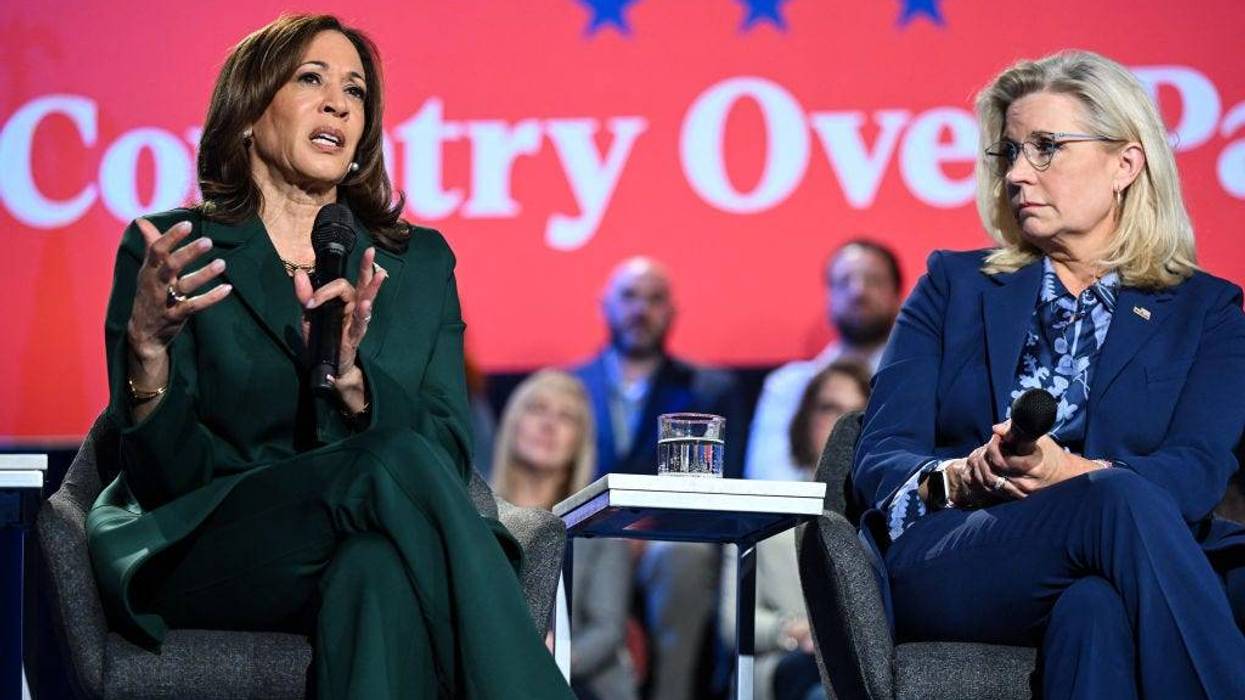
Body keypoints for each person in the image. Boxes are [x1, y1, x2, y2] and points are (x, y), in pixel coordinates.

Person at [85, 15, 572, 699]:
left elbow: (447, 449)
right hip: (213, 549)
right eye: (310, 79)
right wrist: (147, 358)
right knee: (386, 460)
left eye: (356, 91)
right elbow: (170, 481)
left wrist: (354, 387)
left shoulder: (418, 263)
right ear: (250, 111)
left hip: (363, 539)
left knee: (373, 571)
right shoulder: (174, 252)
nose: (339, 103)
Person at [852, 49, 1245, 698]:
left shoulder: (1207, 311)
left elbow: (1196, 468)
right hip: (963, 551)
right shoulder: (952, 286)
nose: (1016, 174)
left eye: (1045, 148)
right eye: (1008, 152)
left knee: (1092, 612)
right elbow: (879, 454)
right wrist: (957, 475)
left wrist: (1069, 475)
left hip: (1120, 555)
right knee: (1114, 500)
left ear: (1125, 162)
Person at [573, 256, 747, 700]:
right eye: (629, 296)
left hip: (669, 540)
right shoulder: (567, 388)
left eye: (654, 299)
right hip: (586, 540)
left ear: (672, 312)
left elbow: (723, 490)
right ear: (604, 305)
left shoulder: (710, 389)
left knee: (683, 557)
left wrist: (645, 535)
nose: (640, 309)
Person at [721, 362, 870, 700]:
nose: (838, 425)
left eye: (854, 415)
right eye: (829, 409)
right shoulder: (761, 516)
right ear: (805, 420)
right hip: (786, 663)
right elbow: (732, 623)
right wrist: (793, 631)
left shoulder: (883, 519)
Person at [491, 369, 638, 700]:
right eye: (537, 409)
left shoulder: (602, 526)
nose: (549, 425)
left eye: (566, 417)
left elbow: (607, 630)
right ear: (513, 421)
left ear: (580, 440)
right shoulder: (470, 511)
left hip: (577, 680)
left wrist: (549, 658)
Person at [745, 241, 902, 482]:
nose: (858, 291)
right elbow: (767, 479)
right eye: (844, 281)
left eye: (874, 280)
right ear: (829, 294)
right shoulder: (788, 385)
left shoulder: (913, 383)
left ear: (897, 295)